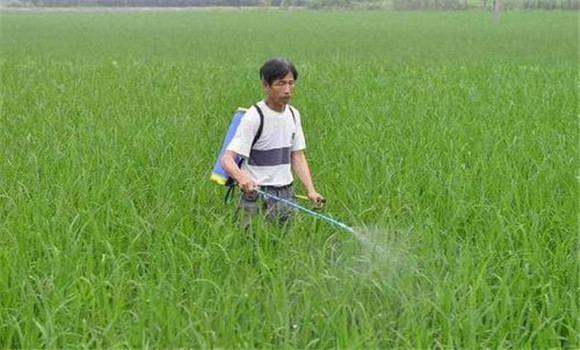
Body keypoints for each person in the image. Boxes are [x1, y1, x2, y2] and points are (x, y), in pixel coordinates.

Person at [221, 57, 324, 228]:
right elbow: (227, 159)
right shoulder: (254, 117)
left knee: (282, 247)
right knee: (250, 245)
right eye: (281, 83)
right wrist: (242, 179)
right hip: (256, 194)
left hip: (286, 193)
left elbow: (297, 156)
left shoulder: (293, 114)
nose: (287, 90)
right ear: (266, 85)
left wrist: (310, 190)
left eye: (291, 83)